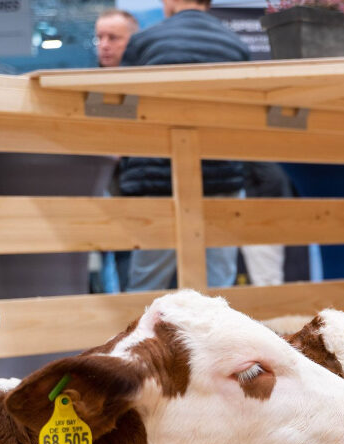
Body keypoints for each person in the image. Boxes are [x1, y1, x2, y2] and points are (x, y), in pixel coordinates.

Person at [120, 0, 250, 291]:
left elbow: (124, 109)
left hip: (158, 180)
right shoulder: (235, 46)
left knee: (146, 287)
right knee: (218, 289)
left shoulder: (145, 41)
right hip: (221, 178)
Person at [90, 9, 139, 293]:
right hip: (103, 195)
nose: (104, 44)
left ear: (132, 41)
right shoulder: (87, 89)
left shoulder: (148, 85)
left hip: (142, 195)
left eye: (113, 38)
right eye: (99, 37)